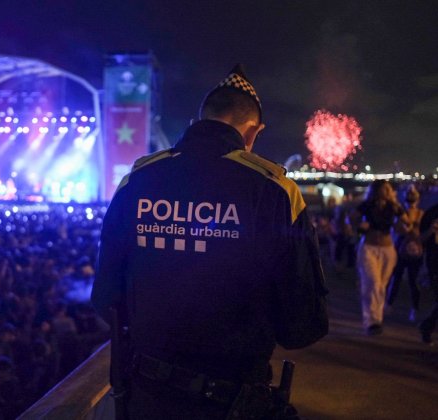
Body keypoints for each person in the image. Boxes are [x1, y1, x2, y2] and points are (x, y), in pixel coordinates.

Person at [91, 64, 328, 419]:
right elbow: (302, 325)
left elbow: (105, 299)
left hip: (145, 397)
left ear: (198, 120)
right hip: (231, 403)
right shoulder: (275, 192)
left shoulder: (137, 181)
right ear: (253, 131)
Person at [356, 180, 406, 335]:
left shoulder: (394, 207)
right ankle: (371, 321)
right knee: (372, 283)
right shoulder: (367, 205)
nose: (385, 191)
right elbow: (351, 219)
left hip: (387, 250)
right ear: (376, 190)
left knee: (381, 286)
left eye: (388, 189)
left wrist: (402, 222)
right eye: (383, 189)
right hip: (369, 248)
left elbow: (405, 223)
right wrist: (360, 226)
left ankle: (377, 319)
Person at [385, 185, 424, 321]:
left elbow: (397, 230)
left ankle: (409, 308)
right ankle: (392, 305)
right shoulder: (409, 214)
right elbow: (396, 229)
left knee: (408, 280)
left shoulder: (418, 214)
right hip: (404, 250)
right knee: (400, 279)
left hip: (411, 250)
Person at [418, 203, 438, 345]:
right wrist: (431, 230)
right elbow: (420, 239)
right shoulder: (431, 213)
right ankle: (427, 325)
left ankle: (427, 325)